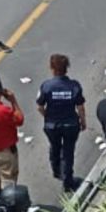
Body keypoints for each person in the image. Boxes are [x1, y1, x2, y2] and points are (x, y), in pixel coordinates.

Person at [37, 54, 86, 193]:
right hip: (70, 124)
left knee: (55, 146)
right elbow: (80, 107)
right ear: (67, 69)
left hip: (52, 125)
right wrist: (83, 121)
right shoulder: (74, 86)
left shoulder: (46, 86)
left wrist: (48, 116)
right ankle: (68, 181)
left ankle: (57, 170)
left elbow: (40, 106)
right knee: (68, 151)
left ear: (52, 68)